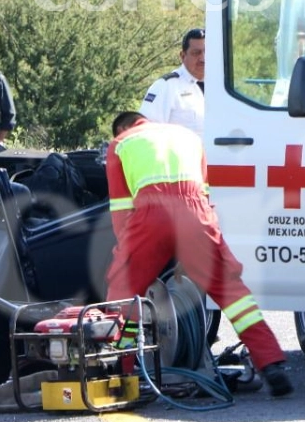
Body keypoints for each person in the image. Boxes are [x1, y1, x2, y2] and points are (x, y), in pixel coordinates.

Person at [104, 111, 292, 396]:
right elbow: (202, 197)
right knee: (233, 295)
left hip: (149, 214)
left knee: (124, 295)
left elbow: (121, 211)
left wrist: (129, 260)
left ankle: (119, 371)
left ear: (122, 127)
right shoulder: (188, 137)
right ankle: (271, 363)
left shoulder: (121, 143)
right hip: (197, 214)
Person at [139, 28, 205, 136]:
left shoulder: (224, 88)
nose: (203, 58)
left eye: (208, 52)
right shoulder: (166, 86)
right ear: (183, 56)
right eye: (196, 53)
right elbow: (146, 131)